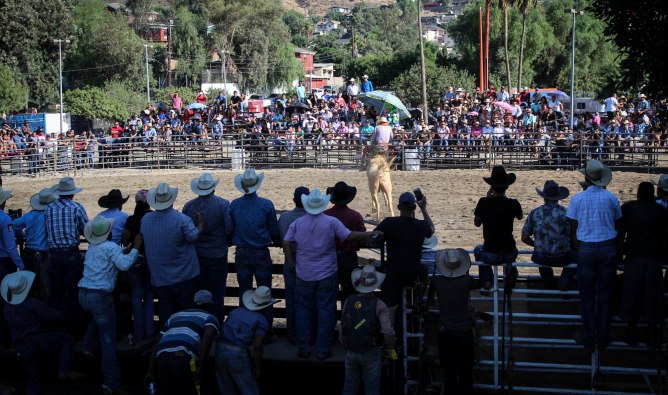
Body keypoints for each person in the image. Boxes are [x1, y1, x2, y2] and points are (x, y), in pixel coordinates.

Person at [283, 189, 380, 360]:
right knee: (326, 311)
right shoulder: (330, 222)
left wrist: (292, 262)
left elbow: (286, 241)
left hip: (304, 273)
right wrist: (370, 233)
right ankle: (323, 348)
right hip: (326, 272)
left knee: (303, 311)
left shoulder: (298, 223)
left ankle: (304, 347)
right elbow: (349, 236)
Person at [78, 215, 141, 395]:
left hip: (83, 294)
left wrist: (128, 250)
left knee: (97, 319)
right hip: (100, 296)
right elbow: (124, 265)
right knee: (108, 341)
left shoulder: (93, 247)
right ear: (109, 232)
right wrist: (136, 248)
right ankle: (111, 383)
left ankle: (88, 347)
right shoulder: (111, 246)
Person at [566, 160, 622, 353]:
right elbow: (618, 224)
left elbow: (572, 227)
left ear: (586, 178)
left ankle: (589, 337)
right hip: (607, 246)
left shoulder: (577, 199)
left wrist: (576, 248)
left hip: (586, 247)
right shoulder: (612, 198)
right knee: (605, 295)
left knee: (587, 296)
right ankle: (604, 336)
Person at [2, 271, 85, 395]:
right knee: (66, 339)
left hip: (21, 346)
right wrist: (64, 313)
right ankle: (65, 370)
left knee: (33, 378)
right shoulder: (31, 303)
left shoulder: (7, 308)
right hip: (36, 340)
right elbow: (52, 316)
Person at [141, 182, 204, 323]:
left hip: (160, 276)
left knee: (166, 311)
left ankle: (167, 338)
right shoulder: (181, 219)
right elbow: (194, 237)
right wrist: (200, 223)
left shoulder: (146, 219)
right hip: (184, 274)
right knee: (186, 310)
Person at [230, 168, 281, 333]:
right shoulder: (266, 204)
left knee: (244, 291)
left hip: (242, 252)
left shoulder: (235, 205)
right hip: (260, 252)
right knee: (264, 291)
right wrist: (278, 240)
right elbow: (274, 230)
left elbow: (230, 229)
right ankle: (265, 331)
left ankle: (244, 328)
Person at [374, 191, 434, 324]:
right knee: (424, 271)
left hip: (393, 274)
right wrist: (423, 208)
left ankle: (389, 336)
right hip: (412, 275)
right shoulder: (420, 225)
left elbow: (375, 236)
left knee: (390, 307)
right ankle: (419, 300)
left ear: (398, 207)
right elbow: (431, 229)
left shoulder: (389, 223)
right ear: (414, 208)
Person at [619, 182, 667, 346]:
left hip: (634, 256)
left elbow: (621, 233)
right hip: (654, 258)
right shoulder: (661, 211)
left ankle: (631, 331)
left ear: (638, 194)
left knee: (631, 293)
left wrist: (620, 253)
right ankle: (651, 334)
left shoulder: (628, 208)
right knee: (653, 295)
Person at [146, 290, 220, 395]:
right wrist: (201, 366)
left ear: (193, 303)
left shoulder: (175, 315)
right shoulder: (210, 317)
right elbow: (207, 337)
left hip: (162, 355)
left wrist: (150, 370)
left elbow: (158, 341)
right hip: (182, 355)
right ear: (210, 305)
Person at [183, 173, 233, 323]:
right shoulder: (223, 204)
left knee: (200, 291)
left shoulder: (189, 206)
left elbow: (186, 232)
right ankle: (216, 324)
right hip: (217, 252)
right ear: (213, 188)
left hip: (197, 253)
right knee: (218, 292)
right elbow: (229, 228)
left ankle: (201, 322)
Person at [340, 265, 396, 395]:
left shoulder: (349, 300)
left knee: (350, 385)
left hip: (351, 349)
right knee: (371, 387)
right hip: (370, 350)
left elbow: (343, 323)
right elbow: (388, 331)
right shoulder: (379, 305)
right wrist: (390, 348)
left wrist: (345, 342)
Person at [430, 249, 479, 395]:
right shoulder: (467, 281)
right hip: (464, 331)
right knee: (466, 371)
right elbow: (484, 283)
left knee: (449, 372)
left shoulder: (436, 281)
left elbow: (430, 301)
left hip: (445, 331)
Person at [45, 177, 88, 335]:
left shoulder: (49, 208)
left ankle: (56, 329)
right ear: (72, 194)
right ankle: (74, 330)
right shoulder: (76, 207)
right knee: (73, 291)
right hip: (70, 253)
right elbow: (86, 229)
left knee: (55, 293)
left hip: (54, 254)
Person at [215, 286, 277, 395]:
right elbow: (258, 345)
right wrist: (257, 367)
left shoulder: (235, 312)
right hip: (237, 354)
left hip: (220, 349)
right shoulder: (261, 320)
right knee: (248, 389)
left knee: (226, 388)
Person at [474, 166, 522, 291]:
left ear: (492, 187)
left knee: (478, 250)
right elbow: (520, 216)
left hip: (490, 250)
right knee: (512, 253)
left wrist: (487, 199)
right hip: (508, 250)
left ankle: (487, 279)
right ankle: (510, 274)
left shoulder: (483, 202)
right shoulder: (513, 203)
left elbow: (477, 223)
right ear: (507, 186)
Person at [521, 180, 576, 290]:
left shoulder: (535, 212)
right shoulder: (567, 213)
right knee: (577, 256)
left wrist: (536, 244)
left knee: (541, 262)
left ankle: (549, 281)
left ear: (544, 197)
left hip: (541, 256)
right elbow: (574, 237)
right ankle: (564, 281)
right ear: (558, 197)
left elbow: (524, 238)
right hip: (563, 256)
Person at [324, 181, 366, 304]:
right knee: (350, 293)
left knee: (329, 293)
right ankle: (347, 319)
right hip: (349, 257)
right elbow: (362, 236)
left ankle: (329, 321)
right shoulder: (356, 216)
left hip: (330, 257)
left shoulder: (326, 215)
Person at [277, 186, 310, 344]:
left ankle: (292, 334)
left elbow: (278, 237)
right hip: (308, 263)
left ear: (293, 200)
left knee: (290, 299)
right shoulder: (313, 218)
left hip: (289, 262)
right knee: (308, 299)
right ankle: (307, 334)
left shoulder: (284, 217)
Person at [13, 188, 56, 303]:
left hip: (29, 252)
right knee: (46, 288)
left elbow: (14, 225)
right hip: (43, 254)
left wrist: (21, 234)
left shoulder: (29, 215)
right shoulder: (50, 215)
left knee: (29, 287)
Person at [122, 189, 154, 344]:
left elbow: (126, 242)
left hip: (135, 259)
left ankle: (138, 332)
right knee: (148, 295)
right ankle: (149, 331)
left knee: (136, 296)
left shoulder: (131, 219)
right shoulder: (152, 218)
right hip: (149, 259)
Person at [0, 187, 24, 349]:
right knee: (8, 301)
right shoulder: (5, 219)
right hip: (3, 263)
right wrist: (20, 264)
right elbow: (10, 247)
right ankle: (7, 338)